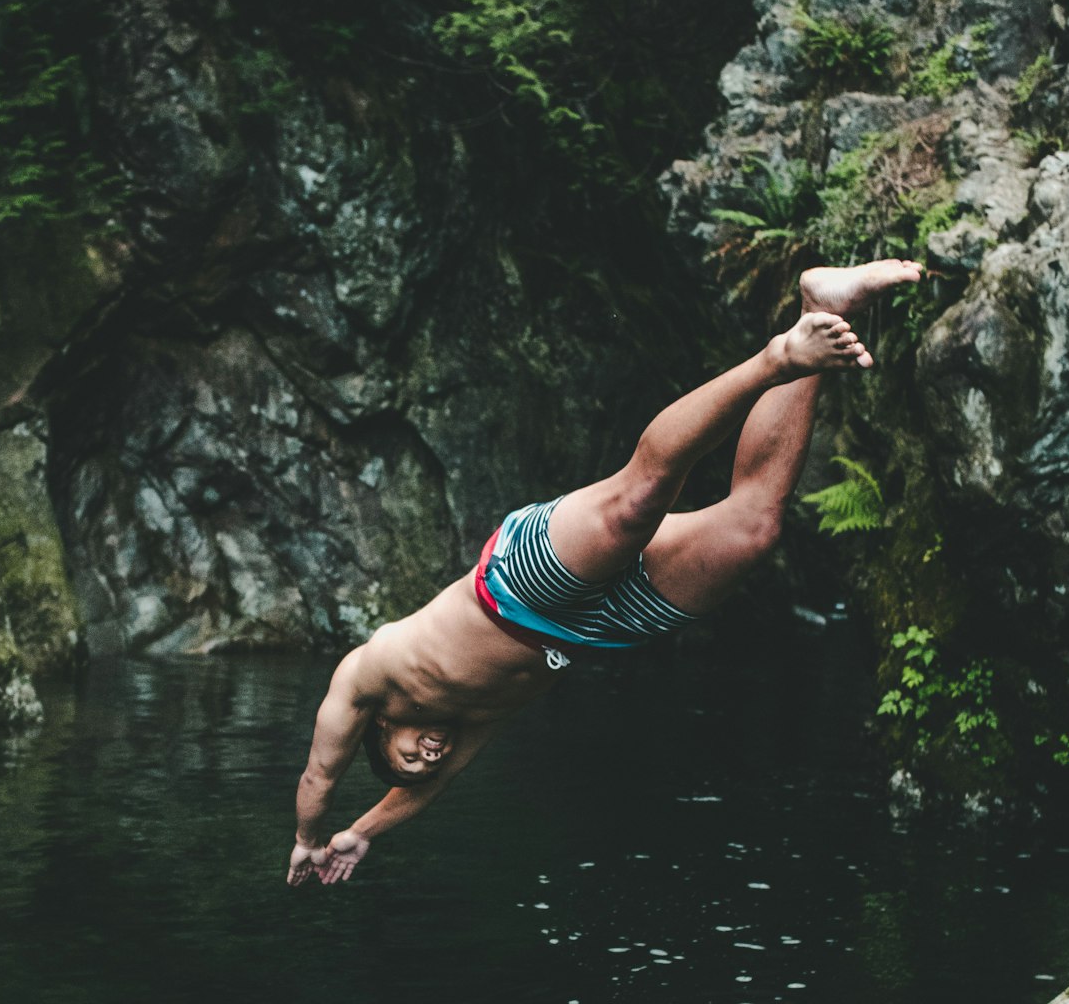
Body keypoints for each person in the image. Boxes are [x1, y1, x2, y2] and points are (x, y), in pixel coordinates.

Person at [286, 260, 923, 887]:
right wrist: (363, 834)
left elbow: (321, 773)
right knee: (753, 528)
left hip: (514, 587)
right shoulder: (472, 723)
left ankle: (776, 360)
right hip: (597, 629)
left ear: (383, 728)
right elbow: (424, 792)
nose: (430, 759)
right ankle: (822, 305)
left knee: (636, 503)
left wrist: (310, 840)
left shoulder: (369, 676)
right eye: (429, 765)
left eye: (408, 759)